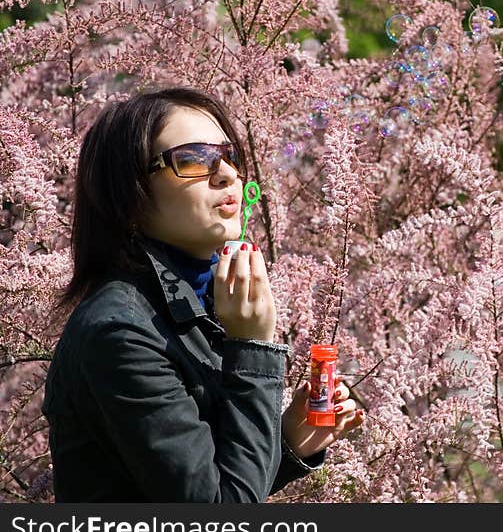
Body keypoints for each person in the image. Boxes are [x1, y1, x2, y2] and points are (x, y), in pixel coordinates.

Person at [41, 87, 364, 502]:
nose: (227, 173)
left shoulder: (198, 304)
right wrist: (252, 348)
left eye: (228, 155)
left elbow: (216, 480)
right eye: (193, 158)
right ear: (130, 195)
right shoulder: (120, 333)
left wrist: (286, 442)